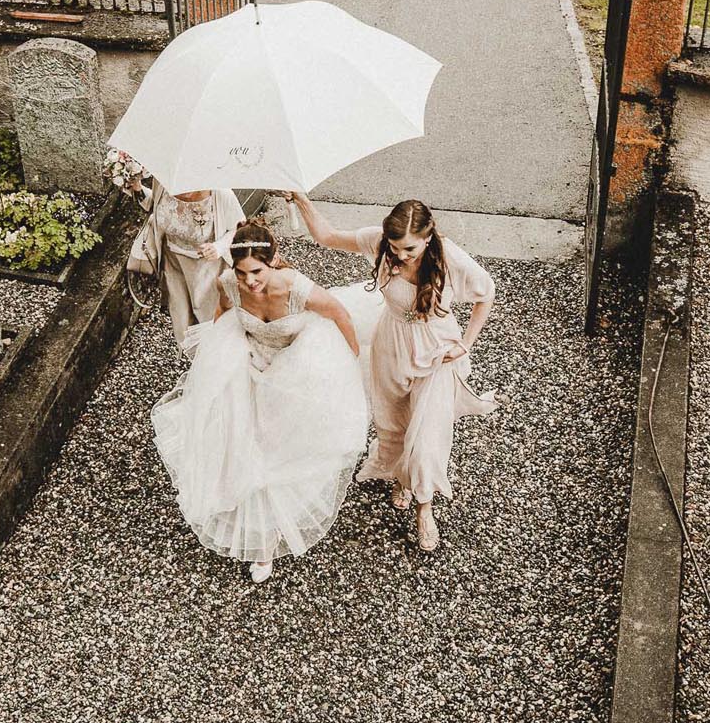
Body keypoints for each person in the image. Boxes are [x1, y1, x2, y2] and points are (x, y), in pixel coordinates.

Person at [152, 217, 367, 584]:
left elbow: (341, 316)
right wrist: (218, 358)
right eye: (241, 273)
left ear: (274, 261)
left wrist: (350, 367)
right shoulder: (228, 285)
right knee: (248, 447)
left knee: (285, 450)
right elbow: (222, 313)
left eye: (256, 271)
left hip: (294, 374)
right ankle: (262, 541)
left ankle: (280, 518)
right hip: (249, 368)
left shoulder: (299, 289)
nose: (250, 281)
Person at [288, 194, 497, 554]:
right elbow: (327, 236)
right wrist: (301, 200)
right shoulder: (379, 243)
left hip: (435, 352)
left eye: (409, 249)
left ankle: (425, 509)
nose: (400, 255)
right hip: (391, 346)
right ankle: (400, 475)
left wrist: (466, 343)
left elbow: (486, 292)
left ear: (428, 237)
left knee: (426, 434)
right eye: (396, 248)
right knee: (393, 423)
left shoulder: (449, 258)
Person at [130, 181, 244, 348]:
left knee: (210, 321)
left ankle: (218, 360)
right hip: (175, 265)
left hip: (208, 269)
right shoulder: (162, 185)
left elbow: (240, 228)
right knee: (181, 321)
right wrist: (138, 190)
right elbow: (155, 208)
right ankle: (194, 360)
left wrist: (218, 247)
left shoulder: (221, 193)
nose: (183, 192)